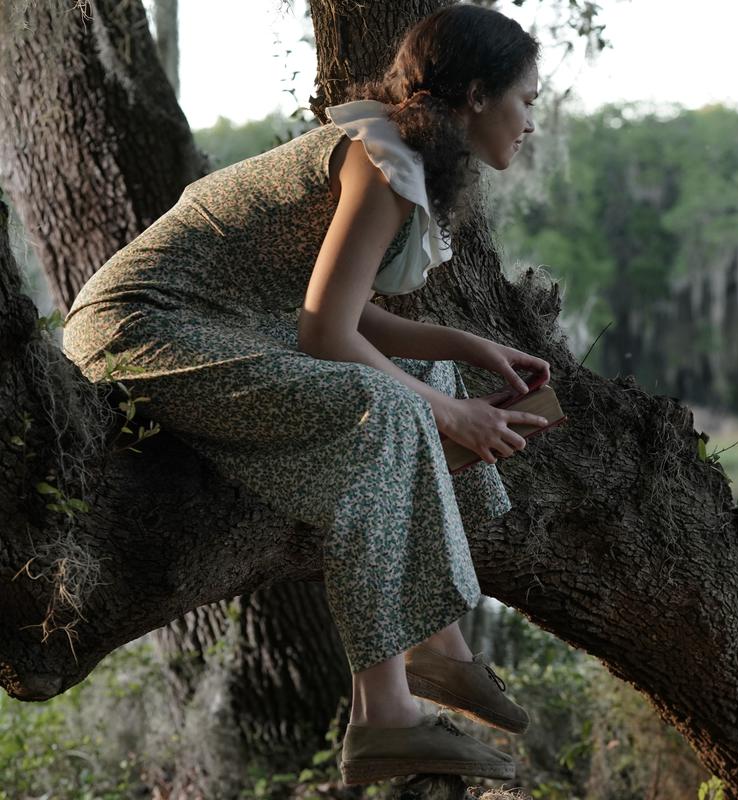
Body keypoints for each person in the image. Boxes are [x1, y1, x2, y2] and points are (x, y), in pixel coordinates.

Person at [63, 4, 549, 785]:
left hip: (229, 328)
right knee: (392, 406)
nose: (532, 121)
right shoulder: (379, 158)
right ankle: (388, 716)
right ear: (479, 95)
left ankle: (437, 647)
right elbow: (327, 336)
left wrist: (466, 348)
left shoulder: (403, 158)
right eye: (528, 99)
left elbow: (342, 313)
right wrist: (448, 415)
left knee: (430, 382)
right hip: (139, 327)